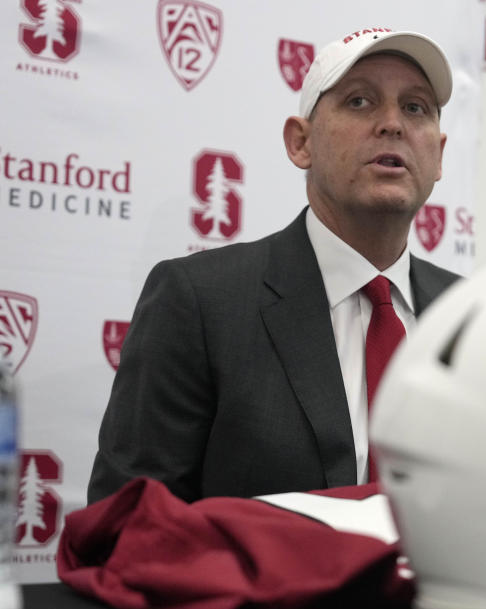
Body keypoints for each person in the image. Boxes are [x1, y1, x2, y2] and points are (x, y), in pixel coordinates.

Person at [87, 28, 459, 503]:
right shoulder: (200, 301)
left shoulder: (474, 316)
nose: (393, 124)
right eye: (360, 102)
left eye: (415, 107)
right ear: (300, 142)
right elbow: (126, 525)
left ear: (440, 155)